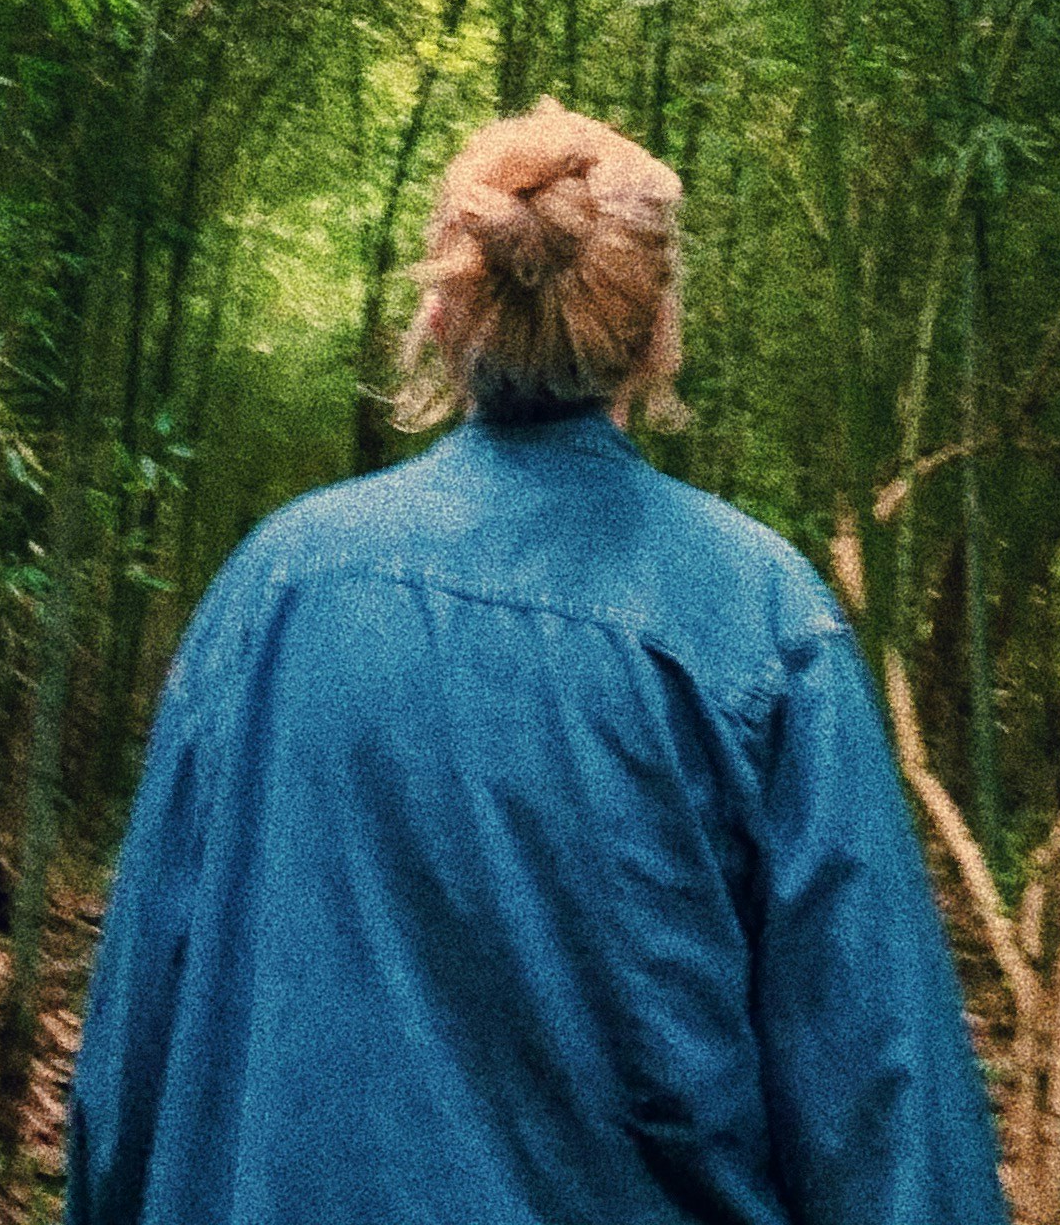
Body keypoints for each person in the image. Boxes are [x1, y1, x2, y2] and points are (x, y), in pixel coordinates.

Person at [66, 97, 1008, 1225]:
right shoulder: (756, 617)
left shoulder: (279, 586)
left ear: (446, 312)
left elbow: (131, 1062)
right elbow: (884, 1109)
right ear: (658, 334)